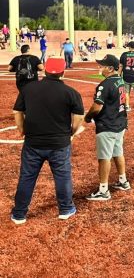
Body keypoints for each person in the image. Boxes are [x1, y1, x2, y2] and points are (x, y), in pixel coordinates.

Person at [10, 58, 85, 224]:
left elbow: (17, 111)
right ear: (62, 72)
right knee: (62, 176)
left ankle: (19, 213)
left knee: (27, 177)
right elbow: (79, 117)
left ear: (45, 70)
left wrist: (22, 129)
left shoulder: (29, 88)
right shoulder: (70, 92)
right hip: (59, 143)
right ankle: (65, 209)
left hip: (33, 143)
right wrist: (71, 132)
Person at [85, 55, 130, 201]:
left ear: (110, 68)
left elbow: (97, 107)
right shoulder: (120, 80)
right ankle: (123, 181)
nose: (100, 68)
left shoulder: (105, 85)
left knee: (104, 158)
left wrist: (88, 117)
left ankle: (103, 190)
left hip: (107, 124)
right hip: (120, 122)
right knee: (118, 152)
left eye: (102, 66)